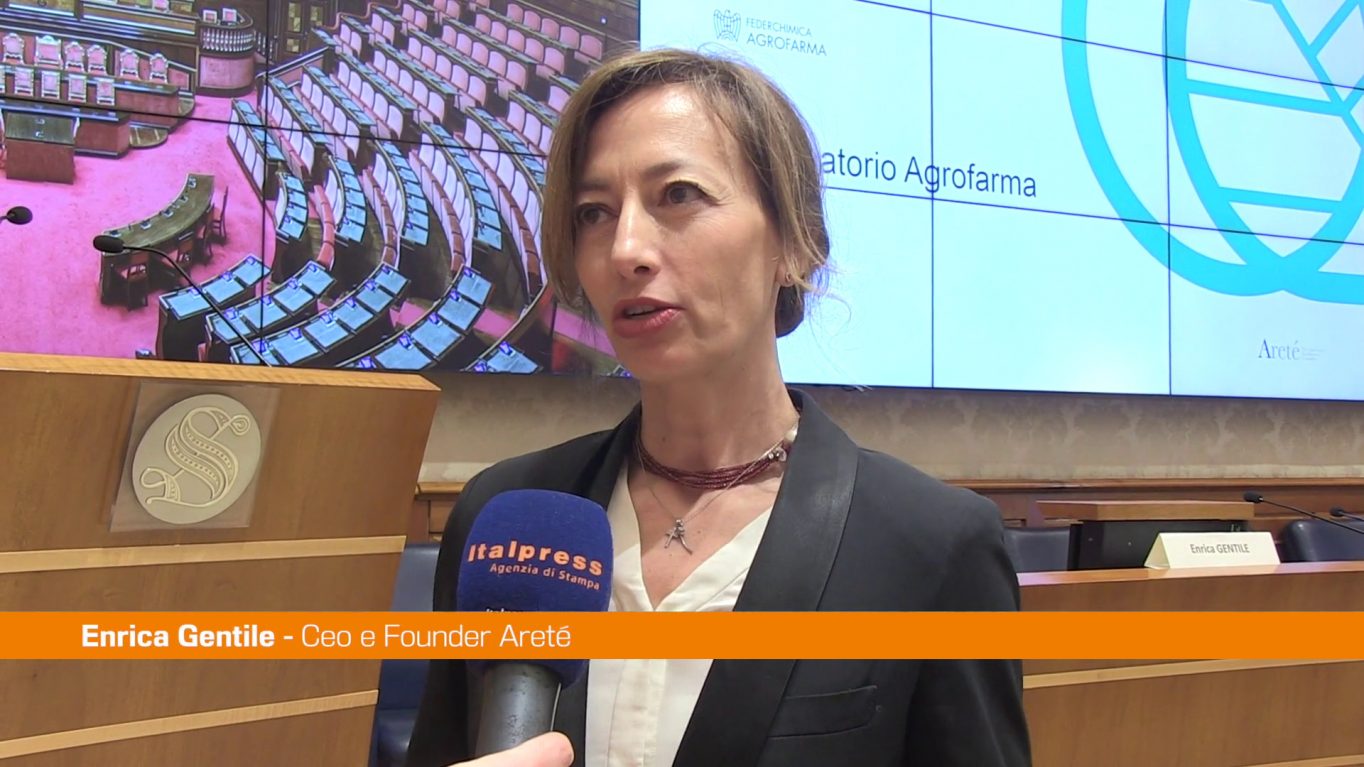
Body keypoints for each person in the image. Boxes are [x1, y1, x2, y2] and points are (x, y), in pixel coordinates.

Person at [407, 48, 1030, 767]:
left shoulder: (932, 543)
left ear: (793, 242)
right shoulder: (506, 514)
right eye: (593, 213)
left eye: (678, 195)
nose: (626, 248)